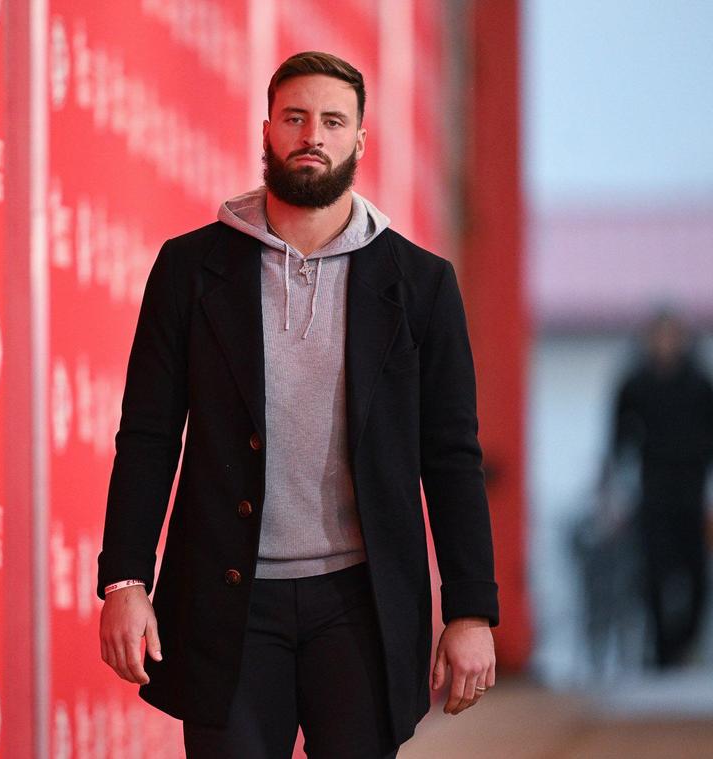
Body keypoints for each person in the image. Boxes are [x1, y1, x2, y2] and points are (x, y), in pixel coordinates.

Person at [97, 51, 499, 758]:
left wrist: (470, 607)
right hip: (229, 603)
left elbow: (452, 454)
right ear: (266, 131)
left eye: (333, 120)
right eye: (296, 117)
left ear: (359, 141)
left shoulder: (420, 285)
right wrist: (126, 578)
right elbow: (149, 435)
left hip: (361, 607)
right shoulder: (191, 271)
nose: (313, 133)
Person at [608, 309, 713, 670]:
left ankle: (684, 641)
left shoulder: (702, 384)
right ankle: (662, 651)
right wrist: (615, 489)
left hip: (694, 494)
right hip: (653, 494)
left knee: (701, 577)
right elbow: (618, 441)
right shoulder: (635, 384)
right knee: (653, 574)